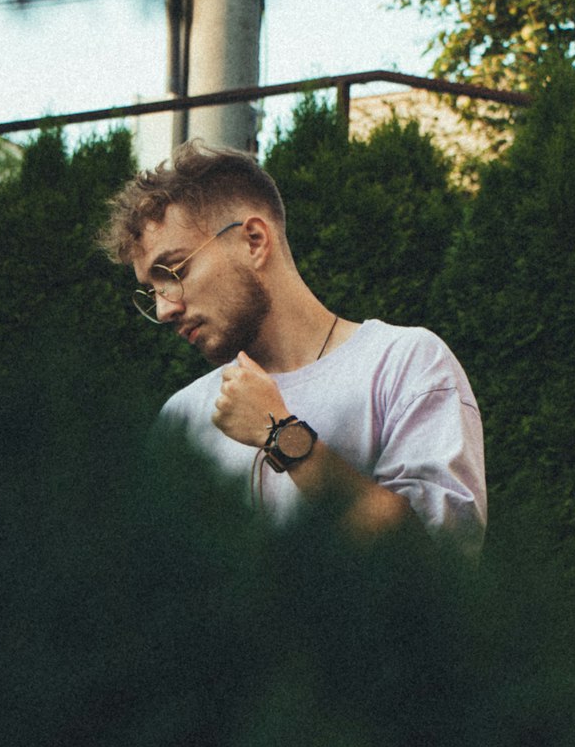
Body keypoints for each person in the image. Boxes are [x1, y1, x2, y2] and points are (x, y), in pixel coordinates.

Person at [100, 140, 486, 551]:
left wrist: (281, 435)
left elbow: (440, 566)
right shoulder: (181, 417)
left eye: (173, 271)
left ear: (253, 240)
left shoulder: (403, 364)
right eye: (151, 291)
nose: (163, 309)